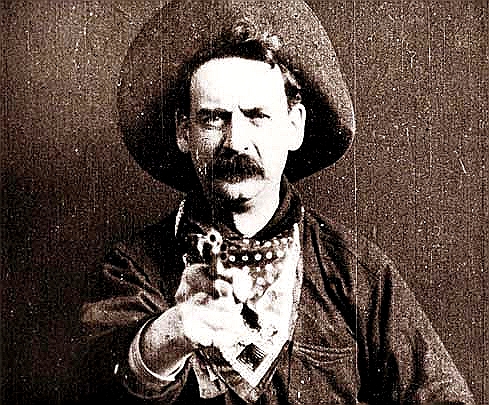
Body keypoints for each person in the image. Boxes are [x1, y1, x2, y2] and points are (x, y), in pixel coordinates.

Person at [80, 0, 475, 404]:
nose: (235, 142)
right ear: (184, 132)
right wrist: (173, 333)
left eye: (257, 116)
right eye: (214, 118)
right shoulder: (133, 268)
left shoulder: (354, 272)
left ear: (294, 125)